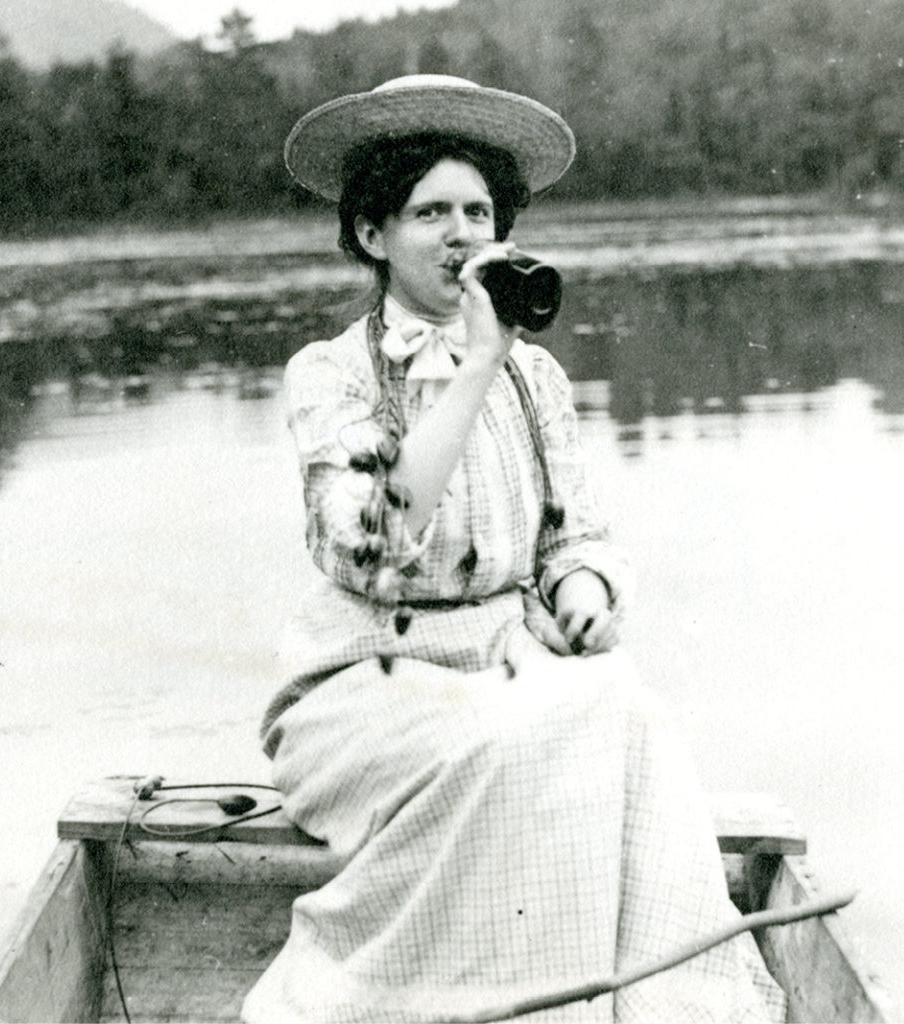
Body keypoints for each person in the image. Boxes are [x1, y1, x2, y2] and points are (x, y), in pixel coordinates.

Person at [243, 75, 783, 1023]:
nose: (461, 235)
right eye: (430, 213)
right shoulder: (331, 373)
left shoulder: (535, 376)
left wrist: (580, 586)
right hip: (367, 681)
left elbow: (573, 531)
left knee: (626, 708)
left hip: (506, 656)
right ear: (373, 235)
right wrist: (479, 358)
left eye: (479, 211)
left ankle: (630, 1004)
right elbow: (373, 548)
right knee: (518, 737)